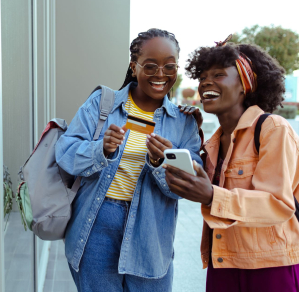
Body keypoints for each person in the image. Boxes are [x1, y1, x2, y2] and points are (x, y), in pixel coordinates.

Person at [55, 28, 202, 292]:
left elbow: (190, 183)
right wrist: (101, 149)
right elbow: (66, 151)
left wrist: (162, 164)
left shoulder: (184, 122)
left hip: (151, 230)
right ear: (134, 67)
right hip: (97, 224)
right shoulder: (103, 103)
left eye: (169, 66)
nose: (160, 74)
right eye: (151, 65)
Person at [163, 36, 299, 292]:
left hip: (270, 267)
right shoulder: (212, 143)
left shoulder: (272, 129)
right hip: (223, 262)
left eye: (218, 75)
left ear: (244, 85)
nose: (206, 83)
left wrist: (212, 195)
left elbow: (279, 205)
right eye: (202, 77)